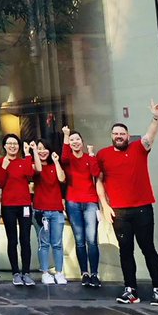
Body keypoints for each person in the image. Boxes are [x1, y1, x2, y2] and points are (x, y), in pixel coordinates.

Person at [97, 102, 158, 306]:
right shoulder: (103, 155)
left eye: (122, 133)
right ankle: (131, 291)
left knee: (148, 248)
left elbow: (149, 136)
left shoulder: (139, 148)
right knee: (125, 251)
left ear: (128, 136)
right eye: (115, 133)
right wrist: (105, 206)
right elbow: (99, 181)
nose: (119, 136)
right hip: (118, 212)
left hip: (143, 209)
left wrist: (156, 118)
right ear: (112, 136)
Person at [61, 119, 102, 287]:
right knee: (79, 240)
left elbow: (96, 172)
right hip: (73, 202)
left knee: (92, 239)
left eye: (77, 139)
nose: (75, 142)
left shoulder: (88, 158)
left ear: (82, 142)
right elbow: (63, 158)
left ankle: (95, 273)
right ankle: (84, 272)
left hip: (90, 201)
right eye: (72, 140)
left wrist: (92, 155)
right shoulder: (68, 158)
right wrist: (65, 135)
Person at [0, 134, 39, 286]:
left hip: (25, 204)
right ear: (5, 146)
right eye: (9, 143)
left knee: (25, 239)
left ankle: (26, 273)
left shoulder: (23, 161)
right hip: (8, 206)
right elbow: (0, 182)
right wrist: (4, 166)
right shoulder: (1, 162)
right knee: (12, 239)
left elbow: (29, 175)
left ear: (19, 146)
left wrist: (28, 155)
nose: (12, 146)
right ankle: (15, 273)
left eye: (15, 143)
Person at [32, 139, 68, 285]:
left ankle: (59, 272)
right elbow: (38, 169)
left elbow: (62, 178)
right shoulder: (35, 166)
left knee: (58, 244)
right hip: (41, 211)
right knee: (44, 244)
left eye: (45, 148)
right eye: (40, 148)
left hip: (57, 211)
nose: (42, 151)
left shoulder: (54, 167)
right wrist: (34, 151)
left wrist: (56, 161)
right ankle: (45, 272)